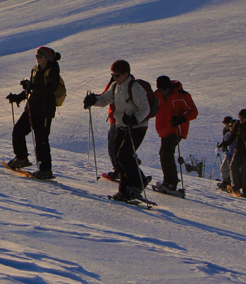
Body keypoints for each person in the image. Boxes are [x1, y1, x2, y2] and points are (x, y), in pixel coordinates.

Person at [83, 60, 151, 201]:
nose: (114, 78)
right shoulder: (115, 86)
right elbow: (105, 99)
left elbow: (146, 108)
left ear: (126, 74)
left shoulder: (135, 88)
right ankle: (124, 191)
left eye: (117, 75)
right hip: (121, 126)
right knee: (118, 158)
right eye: (113, 75)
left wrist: (134, 119)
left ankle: (139, 182)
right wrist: (93, 100)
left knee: (124, 155)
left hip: (136, 127)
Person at [6, 46, 62, 180]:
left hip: (44, 111)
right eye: (36, 56)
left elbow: (48, 90)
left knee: (41, 140)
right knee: (18, 131)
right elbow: (32, 89)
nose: (37, 59)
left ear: (46, 58)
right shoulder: (35, 69)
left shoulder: (52, 71)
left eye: (39, 56)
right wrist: (19, 97)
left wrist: (31, 87)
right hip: (32, 108)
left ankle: (45, 170)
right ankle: (21, 158)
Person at [150, 75, 197, 196]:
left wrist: (182, 118)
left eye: (164, 89)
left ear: (169, 87)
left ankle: (171, 182)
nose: (162, 92)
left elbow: (193, 112)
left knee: (166, 151)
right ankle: (168, 181)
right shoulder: (157, 95)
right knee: (164, 152)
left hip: (177, 129)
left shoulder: (182, 95)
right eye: (160, 89)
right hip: (163, 129)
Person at [216, 117, 236, 191]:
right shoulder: (227, 133)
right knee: (224, 168)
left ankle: (235, 186)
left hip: (236, 155)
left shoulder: (238, 134)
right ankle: (226, 183)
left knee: (234, 171)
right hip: (229, 154)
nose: (227, 126)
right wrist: (221, 147)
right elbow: (224, 141)